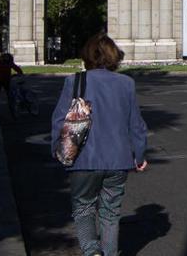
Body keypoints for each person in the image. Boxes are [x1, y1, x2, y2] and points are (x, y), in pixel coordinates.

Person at [51, 33, 148, 256]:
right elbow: (136, 125)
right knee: (111, 213)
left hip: (82, 158)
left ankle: (91, 251)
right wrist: (139, 156)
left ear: (87, 56)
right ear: (115, 57)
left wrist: (57, 151)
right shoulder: (127, 83)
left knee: (83, 208)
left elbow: (59, 120)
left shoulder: (74, 81)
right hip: (118, 160)